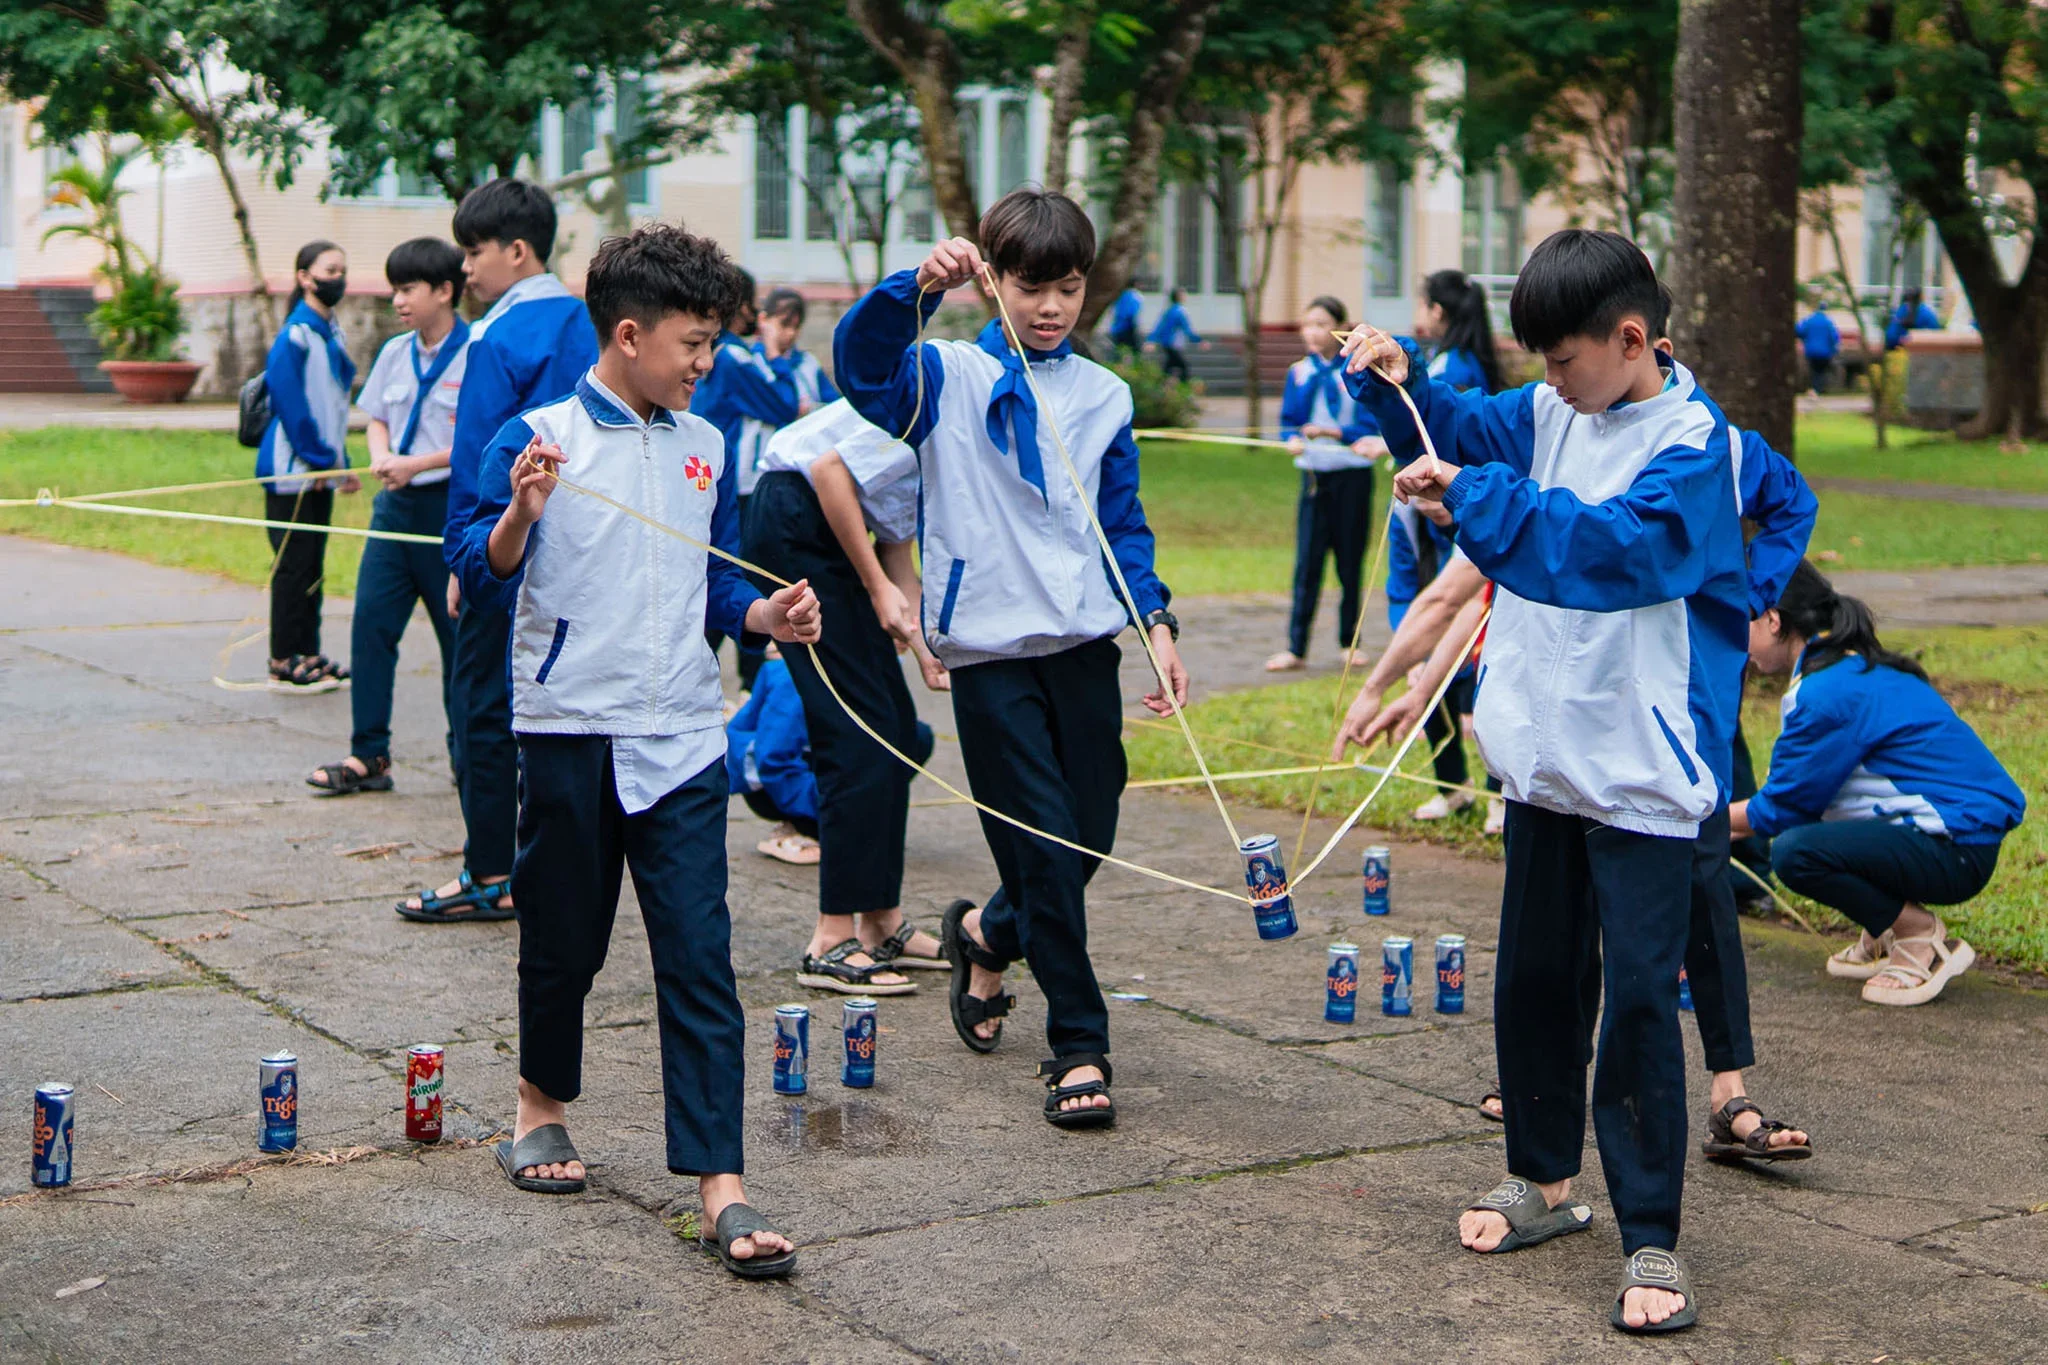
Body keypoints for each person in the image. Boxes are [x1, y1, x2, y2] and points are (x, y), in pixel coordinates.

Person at [1342, 228, 1750, 1334]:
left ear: (1629, 339)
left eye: (1562, 359)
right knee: (1531, 980)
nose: (1547, 383)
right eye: (1536, 363)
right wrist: (1394, 387)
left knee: (1630, 1005)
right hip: (1544, 762)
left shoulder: (1695, 448)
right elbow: (1458, 427)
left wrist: (1476, 497)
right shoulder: (1546, 410)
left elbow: (1612, 553)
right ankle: (1540, 1178)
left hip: (1644, 775)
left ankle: (1652, 1235)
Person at [452, 224, 820, 1276]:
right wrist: (521, 511)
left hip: (682, 737)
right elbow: (474, 571)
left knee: (701, 958)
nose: (709, 363)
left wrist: (764, 619)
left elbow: (709, 585)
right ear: (628, 333)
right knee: (565, 940)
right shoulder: (538, 435)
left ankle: (722, 1186)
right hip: (569, 733)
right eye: (696, 343)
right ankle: (538, 1107)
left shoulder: (704, 447)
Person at [836, 188, 1190, 1129]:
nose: (1050, 308)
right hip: (989, 656)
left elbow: (1122, 525)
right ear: (993, 280)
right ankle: (1079, 1043)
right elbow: (860, 368)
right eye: (1031, 287)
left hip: (1082, 647)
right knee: (1044, 838)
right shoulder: (943, 377)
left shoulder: (1104, 395)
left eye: (1068, 288)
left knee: (1092, 831)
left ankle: (988, 929)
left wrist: (1154, 622)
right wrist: (914, 288)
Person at [398, 178, 598, 925]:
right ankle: (556, 864)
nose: (467, 270)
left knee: (483, 705)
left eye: (474, 252)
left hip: (511, 546)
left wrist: (466, 559)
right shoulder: (595, 323)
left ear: (517, 251)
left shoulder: (496, 338)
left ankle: (490, 870)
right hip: (585, 555)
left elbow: (477, 451)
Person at [1734, 561, 2024, 1007]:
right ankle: (1884, 930)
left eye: (1742, 620)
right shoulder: (1846, 668)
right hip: (1955, 840)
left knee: (1794, 851)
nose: (1735, 641)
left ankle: (1917, 936)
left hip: (1956, 850)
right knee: (1812, 834)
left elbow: (1778, 811)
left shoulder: (1826, 692)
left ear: (1773, 621)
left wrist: (1693, 823)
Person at [746, 398, 953, 995]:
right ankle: (831, 938)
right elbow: (829, 471)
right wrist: (875, 588)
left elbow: (896, 551)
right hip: (797, 521)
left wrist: (922, 646)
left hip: (831, 531)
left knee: (894, 728)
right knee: (856, 731)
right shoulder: (930, 397)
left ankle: (880, 922)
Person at [308, 238, 469, 796]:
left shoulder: (478, 354)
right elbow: (375, 415)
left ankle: (468, 757)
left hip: (447, 507)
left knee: (459, 642)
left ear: (445, 291)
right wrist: (381, 457)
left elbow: (480, 440)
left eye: (408, 289)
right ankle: (368, 754)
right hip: (394, 509)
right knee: (371, 627)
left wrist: (416, 463)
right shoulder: (395, 352)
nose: (398, 300)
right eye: (394, 288)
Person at [1401, 269, 1505, 820]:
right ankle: (1455, 786)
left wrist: (1450, 495)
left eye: (1422, 303)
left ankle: (1492, 793)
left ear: (1438, 311)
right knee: (1434, 659)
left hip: (1462, 532)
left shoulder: (1455, 370)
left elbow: (1459, 447)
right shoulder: (1450, 362)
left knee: (1476, 660)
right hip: (1439, 529)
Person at [257, 239, 358, 693]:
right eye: (329, 270)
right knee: (292, 568)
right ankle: (284, 657)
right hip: (292, 473)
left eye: (342, 270)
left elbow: (333, 407)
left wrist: (340, 465)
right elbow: (293, 407)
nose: (338, 278)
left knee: (313, 567)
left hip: (320, 473)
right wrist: (318, 461)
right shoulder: (295, 335)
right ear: (305, 277)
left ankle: (309, 652)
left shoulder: (329, 332)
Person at [1264, 295, 1384, 675]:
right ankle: (1295, 647)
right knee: (1307, 565)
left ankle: (1350, 642)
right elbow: (1289, 420)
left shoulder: (1358, 371)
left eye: (1320, 324)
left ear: (1339, 327)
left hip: (1352, 475)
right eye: (1307, 324)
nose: (1312, 333)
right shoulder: (1299, 373)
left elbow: (1371, 427)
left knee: (1350, 563)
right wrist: (1291, 438)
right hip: (1315, 478)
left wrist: (1335, 432)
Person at [696, 273, 799, 692]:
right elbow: (784, 403)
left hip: (711, 482)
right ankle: (747, 696)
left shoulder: (720, 356)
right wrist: (774, 355)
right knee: (733, 586)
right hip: (734, 490)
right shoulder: (734, 358)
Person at [727, 650, 822, 866]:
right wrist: (828, 804)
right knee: (911, 740)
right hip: (770, 786)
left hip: (766, 776)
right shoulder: (795, 677)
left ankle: (812, 821)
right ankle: (810, 826)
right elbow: (773, 759)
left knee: (912, 736)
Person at [757, 287, 840, 411]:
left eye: (796, 327)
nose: (791, 333)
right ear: (763, 320)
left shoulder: (808, 363)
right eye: (784, 324)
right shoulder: (752, 361)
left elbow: (833, 405)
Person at [1147, 286, 1202, 382]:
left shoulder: (1169, 310)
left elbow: (1159, 327)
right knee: (1183, 367)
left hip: (1167, 343)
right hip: (1173, 344)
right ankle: (1183, 389)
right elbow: (1187, 329)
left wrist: (1152, 340)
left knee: (1169, 367)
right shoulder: (1180, 311)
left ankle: (1163, 386)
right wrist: (1198, 340)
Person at [1796, 309, 1840, 393]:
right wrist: (1834, 350)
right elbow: (1834, 337)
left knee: (1814, 370)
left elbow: (1799, 331)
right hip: (1825, 352)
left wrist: (1805, 339)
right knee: (1822, 371)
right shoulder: (1827, 322)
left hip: (1811, 351)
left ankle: (1815, 389)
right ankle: (1820, 389)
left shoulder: (1809, 321)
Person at [1883, 286, 1940, 351]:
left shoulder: (1903, 310)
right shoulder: (1927, 312)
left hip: (1902, 348)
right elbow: (1935, 335)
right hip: (1921, 349)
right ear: (1921, 297)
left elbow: (1890, 336)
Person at [1107, 283, 1144, 359]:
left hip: (1117, 327)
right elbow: (1131, 313)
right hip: (1127, 326)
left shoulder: (1122, 295)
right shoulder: (1135, 296)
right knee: (1135, 349)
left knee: (1119, 348)